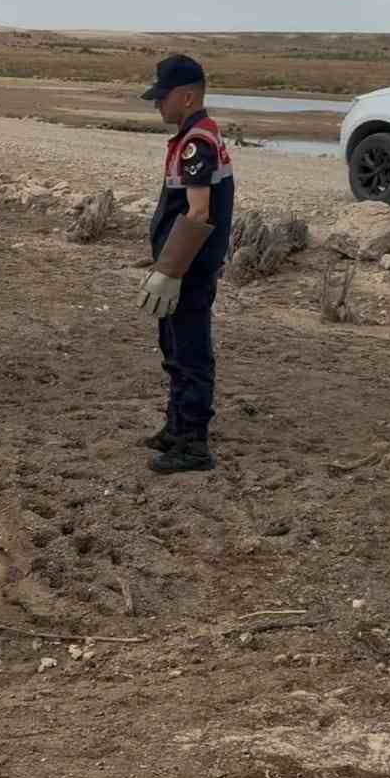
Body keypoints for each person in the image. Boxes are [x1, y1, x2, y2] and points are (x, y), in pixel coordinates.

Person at [134, 54, 236, 473]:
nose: (158, 104)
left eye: (163, 97)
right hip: (185, 267)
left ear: (188, 96)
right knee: (174, 346)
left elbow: (197, 212)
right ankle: (177, 427)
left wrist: (170, 272)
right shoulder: (195, 136)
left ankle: (193, 443)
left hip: (189, 269)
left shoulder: (198, 142)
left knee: (190, 351)